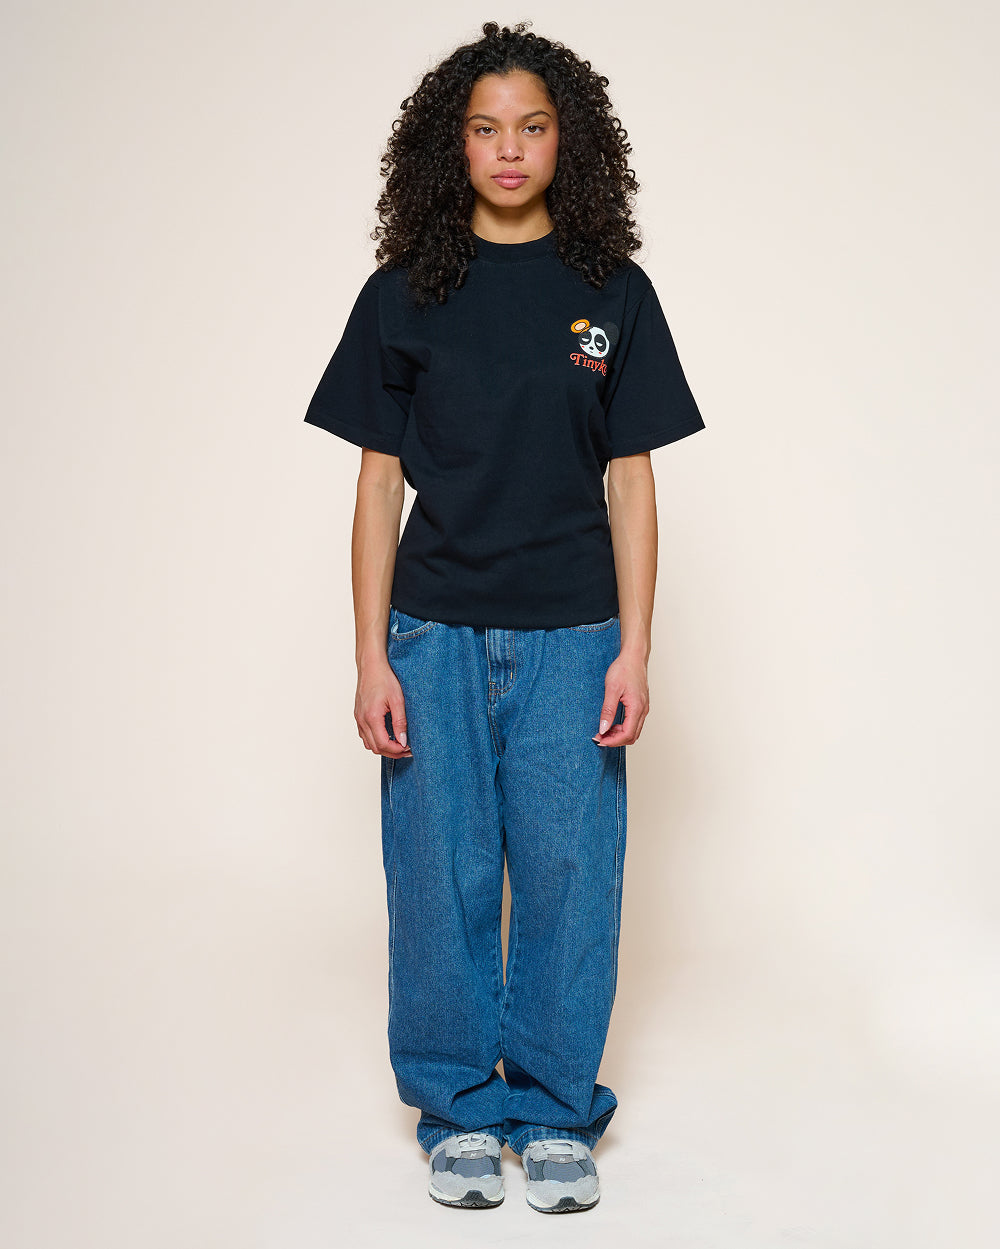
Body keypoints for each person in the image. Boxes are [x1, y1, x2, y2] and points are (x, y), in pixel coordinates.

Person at [303, 20, 705, 1214]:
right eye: (485, 129)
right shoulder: (402, 295)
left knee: (572, 874)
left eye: (532, 126)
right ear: (454, 145)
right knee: (439, 875)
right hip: (431, 634)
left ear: (567, 142)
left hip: (577, 637)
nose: (510, 148)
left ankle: (554, 1105)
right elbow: (377, 483)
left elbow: (632, 479)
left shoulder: (612, 293)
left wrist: (636, 647)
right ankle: (458, 1109)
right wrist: (368, 655)